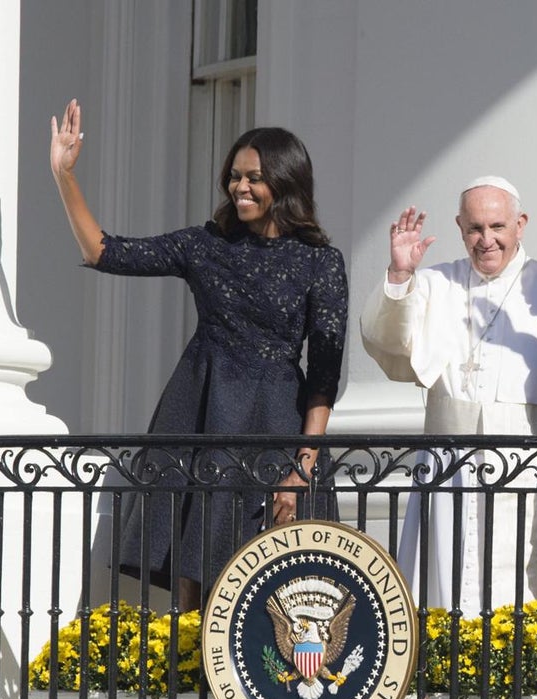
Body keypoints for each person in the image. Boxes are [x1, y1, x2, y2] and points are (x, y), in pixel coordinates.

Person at [50, 99, 348, 611]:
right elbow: (104, 251)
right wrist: (64, 175)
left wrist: (303, 463)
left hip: (277, 419)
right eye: (234, 176)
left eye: (254, 177)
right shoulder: (206, 245)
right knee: (194, 567)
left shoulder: (321, 262)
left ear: (285, 181)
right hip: (201, 409)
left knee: (282, 579)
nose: (240, 187)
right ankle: (189, 678)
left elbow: (324, 375)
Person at [360, 177, 537, 617]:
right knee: (449, 585)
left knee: (535, 592)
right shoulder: (431, 284)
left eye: (498, 226)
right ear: (460, 228)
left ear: (520, 224)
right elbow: (384, 342)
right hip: (451, 472)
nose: (486, 240)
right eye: (475, 229)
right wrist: (399, 274)